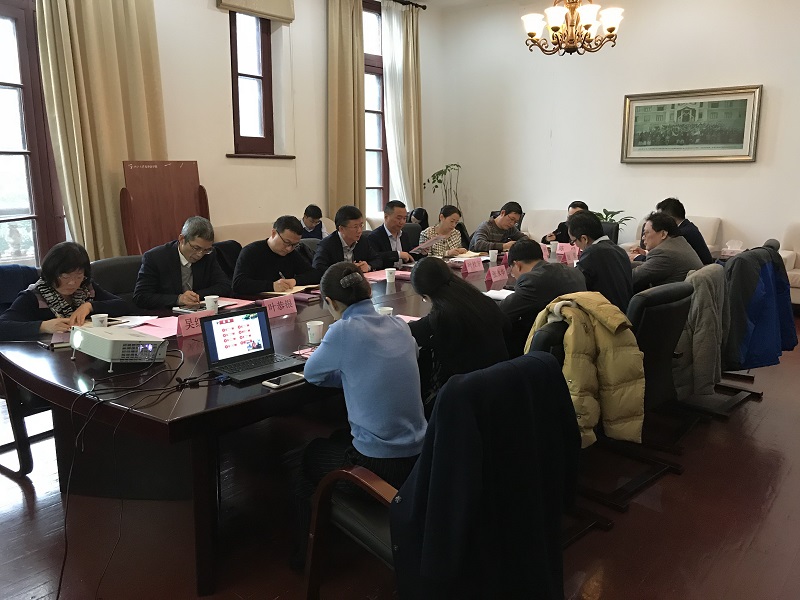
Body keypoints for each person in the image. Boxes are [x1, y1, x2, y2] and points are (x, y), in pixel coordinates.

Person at [293, 261, 426, 567]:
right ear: (368, 293)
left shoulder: (343, 330)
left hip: (380, 466)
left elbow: (312, 374)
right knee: (338, 437)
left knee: (307, 456)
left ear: (330, 302)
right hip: (420, 457)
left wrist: (349, 374)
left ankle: (306, 559)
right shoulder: (398, 324)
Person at [409, 257, 510, 410]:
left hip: (467, 399)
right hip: (501, 385)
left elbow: (407, 332)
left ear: (427, 296)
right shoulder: (480, 300)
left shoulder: (441, 318)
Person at [0, 242, 128, 341]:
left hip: (88, 348)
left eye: (78, 276)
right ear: (51, 273)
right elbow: (3, 327)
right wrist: (43, 326)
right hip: (51, 356)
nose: (72, 283)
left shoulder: (86, 288)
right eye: (65, 277)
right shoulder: (34, 296)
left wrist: (89, 306)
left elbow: (124, 306)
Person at [499, 240, 586, 356]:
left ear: (517, 265)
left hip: (538, 344)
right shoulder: (574, 272)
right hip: (575, 340)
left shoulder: (532, 280)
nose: (513, 276)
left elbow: (503, 311)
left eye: (512, 271)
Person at [133, 216, 231, 310]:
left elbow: (224, 286)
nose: (200, 254)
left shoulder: (208, 255)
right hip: (167, 314)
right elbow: (141, 296)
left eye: (206, 249)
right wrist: (178, 299)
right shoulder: (155, 258)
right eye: (196, 248)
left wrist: (195, 296)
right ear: (181, 239)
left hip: (197, 313)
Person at [231, 215, 319, 295]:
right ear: (274, 233)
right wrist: (272, 286)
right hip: (256, 301)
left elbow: (315, 275)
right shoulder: (251, 251)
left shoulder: (291, 254)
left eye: (294, 245)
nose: (289, 248)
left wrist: (294, 281)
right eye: (286, 242)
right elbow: (238, 284)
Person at [568, 210, 633, 313]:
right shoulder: (619, 250)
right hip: (624, 313)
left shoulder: (592, 253)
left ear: (584, 239)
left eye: (573, 241)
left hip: (606, 317)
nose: (575, 245)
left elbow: (575, 284)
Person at [631, 211, 704, 293]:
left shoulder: (664, 252)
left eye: (646, 233)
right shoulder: (679, 241)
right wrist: (625, 263)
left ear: (663, 234)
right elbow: (647, 266)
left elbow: (633, 277)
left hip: (670, 299)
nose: (643, 238)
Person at [312, 205, 382, 274]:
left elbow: (377, 259)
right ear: (341, 229)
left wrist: (368, 266)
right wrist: (345, 271)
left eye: (361, 225)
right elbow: (318, 267)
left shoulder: (363, 240)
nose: (359, 230)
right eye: (355, 227)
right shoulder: (327, 244)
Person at [655, 197, 714, 265]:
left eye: (660, 218)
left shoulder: (682, 233)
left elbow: (664, 255)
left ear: (670, 218)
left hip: (699, 269)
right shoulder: (688, 226)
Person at [367, 200, 420, 269]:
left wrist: (422, 252)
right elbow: (375, 258)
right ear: (386, 217)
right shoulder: (374, 236)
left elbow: (409, 256)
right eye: (399, 218)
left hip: (404, 272)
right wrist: (398, 254)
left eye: (404, 218)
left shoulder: (404, 235)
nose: (402, 222)